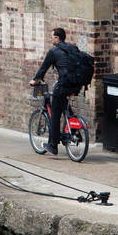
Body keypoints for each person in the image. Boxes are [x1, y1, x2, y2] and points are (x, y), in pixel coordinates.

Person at [29, 27, 83, 157]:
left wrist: (35, 80)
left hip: (63, 84)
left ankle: (53, 145)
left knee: (55, 113)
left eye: (52, 36)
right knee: (64, 105)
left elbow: (43, 68)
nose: (50, 39)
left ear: (57, 38)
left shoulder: (54, 51)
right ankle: (75, 132)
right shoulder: (72, 48)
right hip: (76, 84)